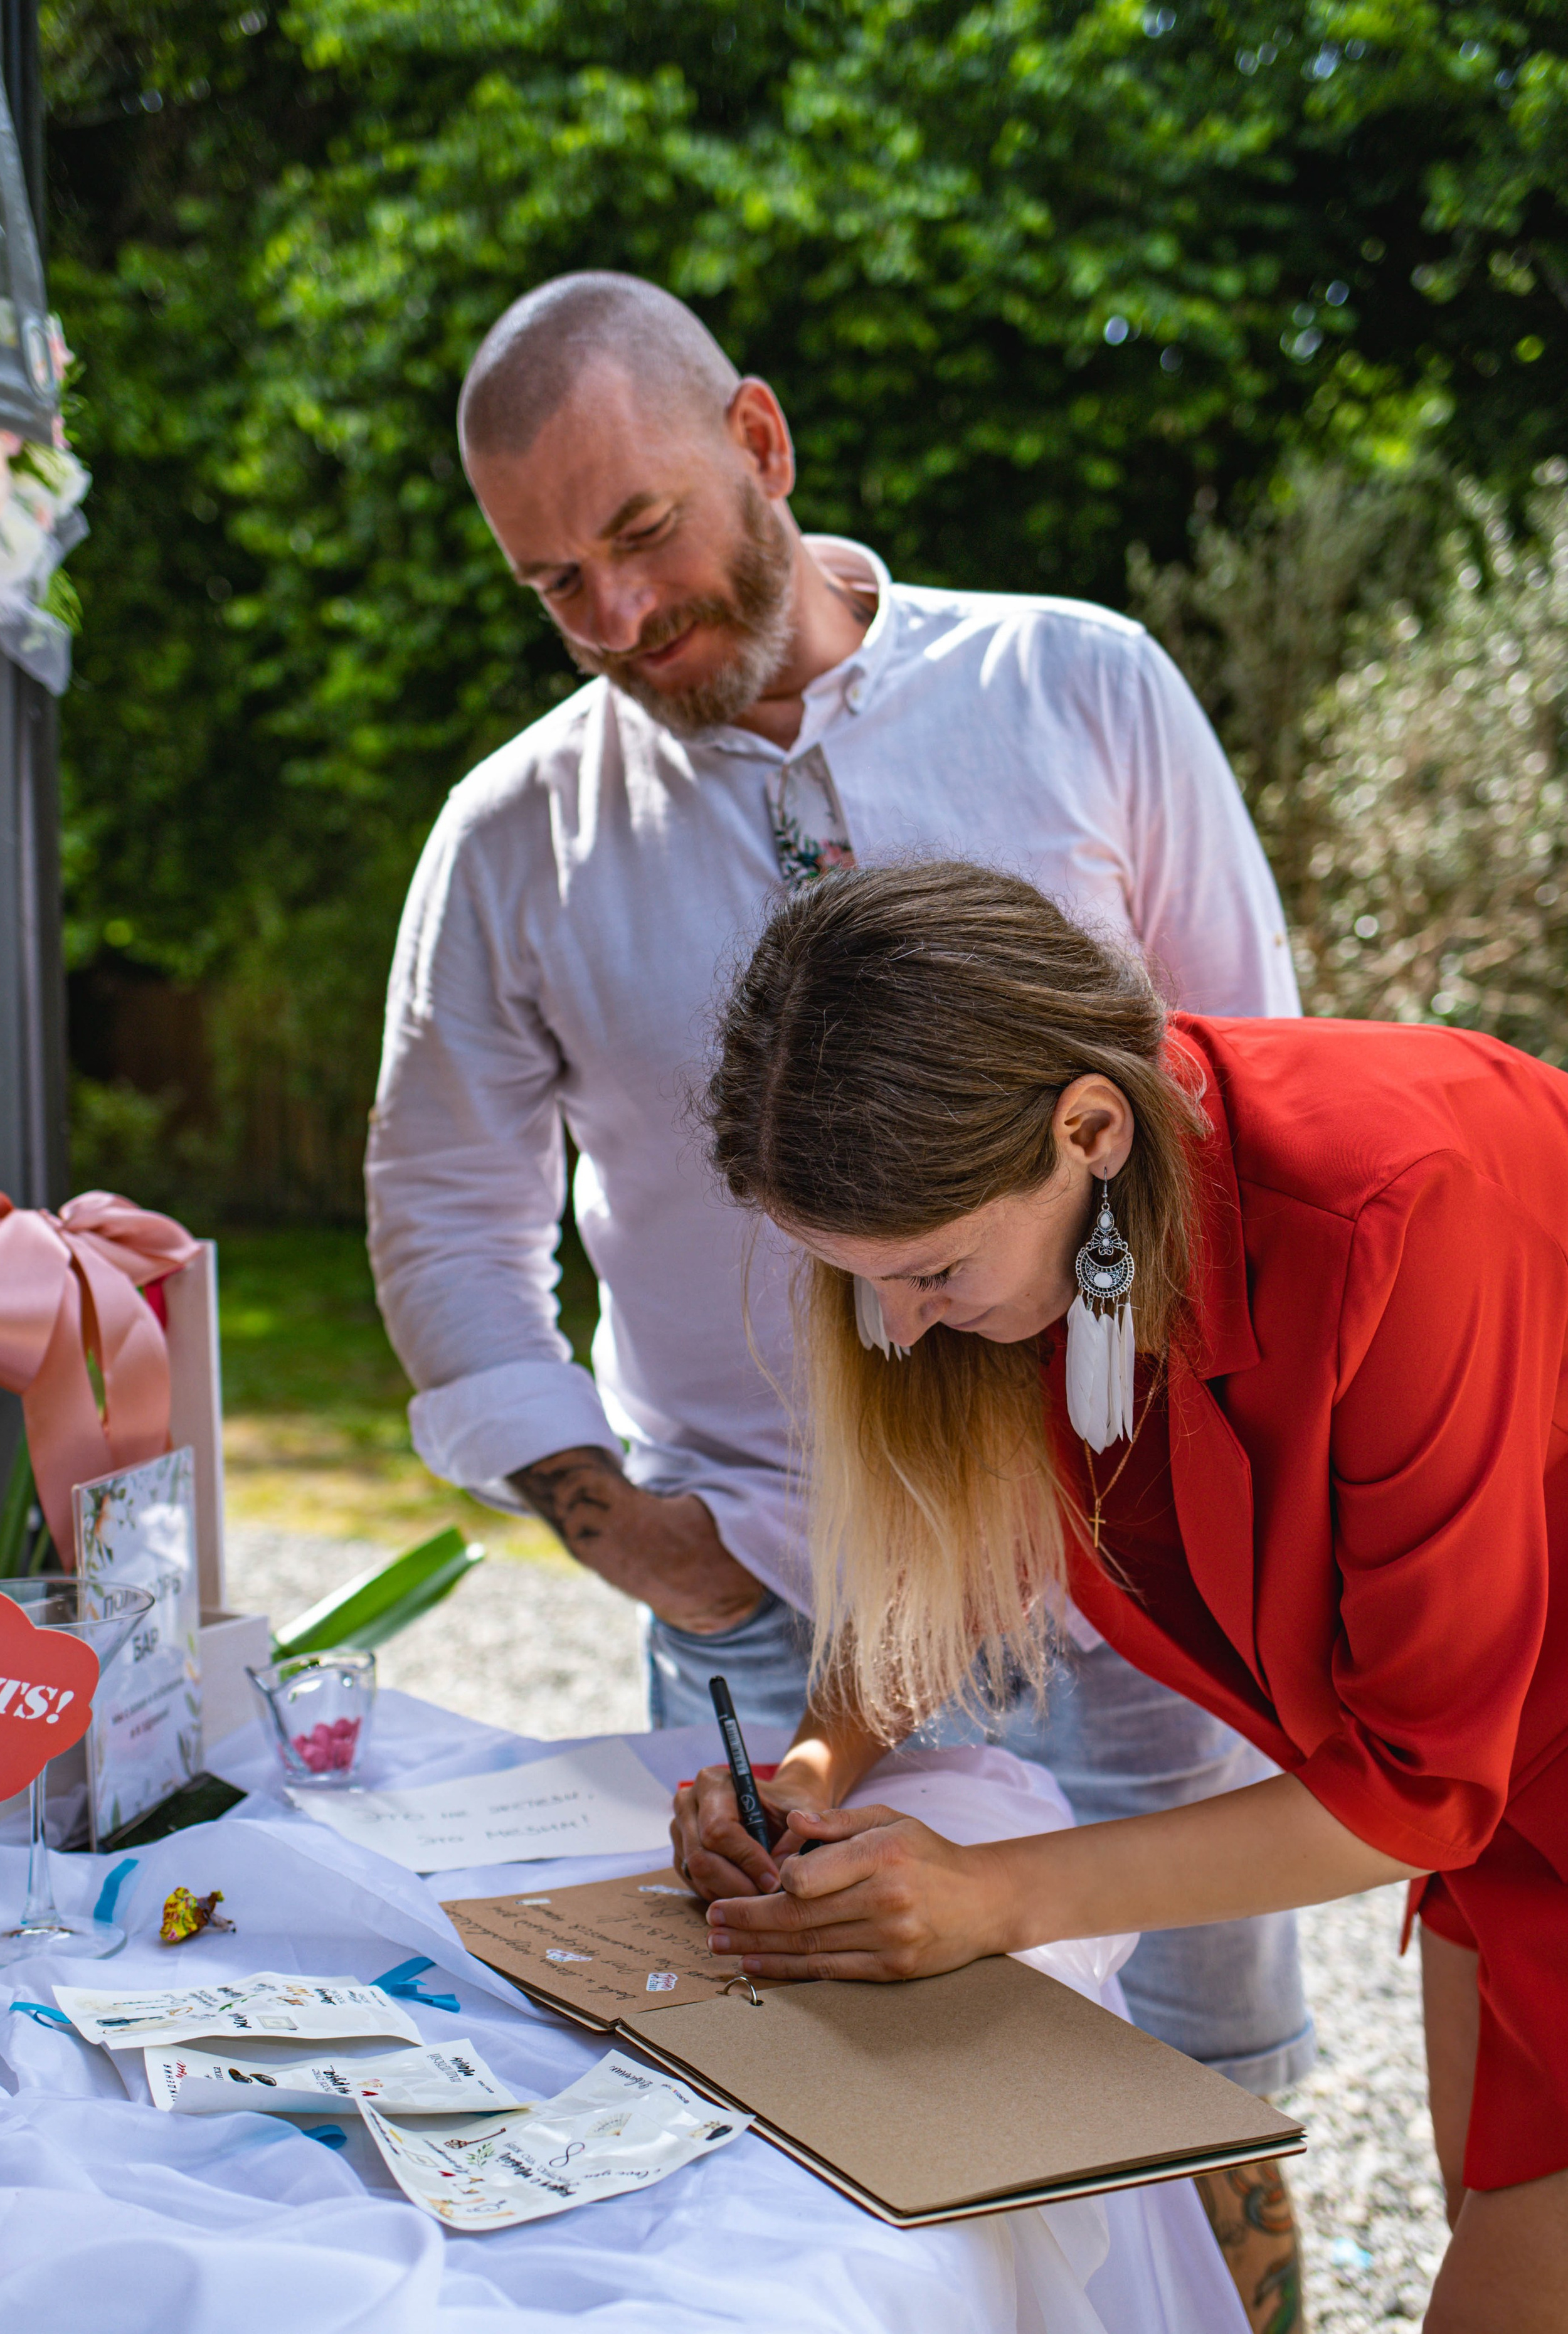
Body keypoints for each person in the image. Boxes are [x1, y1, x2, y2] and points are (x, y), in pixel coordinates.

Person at [366, 271, 1308, 2316]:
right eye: (554, 585)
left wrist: (1171, 1466)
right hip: (770, 1590)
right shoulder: (511, 835)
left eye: (642, 537)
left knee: (1203, 2078)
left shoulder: (1079, 683)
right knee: (825, 2136)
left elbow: (1253, 1078)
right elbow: (442, 1206)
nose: (617, 620)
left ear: (765, 448)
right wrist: (613, 1522)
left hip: (1147, 1566)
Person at [674, 857, 1568, 2334]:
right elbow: (964, 1553)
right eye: (858, 1285)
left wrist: (993, 1896)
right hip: (1500, 1783)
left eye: (932, 1271)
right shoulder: (1067, 1220)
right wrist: (811, 1769)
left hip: (1485, 1763)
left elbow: (1413, 1780)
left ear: (1085, 1125)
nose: (897, 1333)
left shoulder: (1398, 1208)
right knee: (1482, 2203)